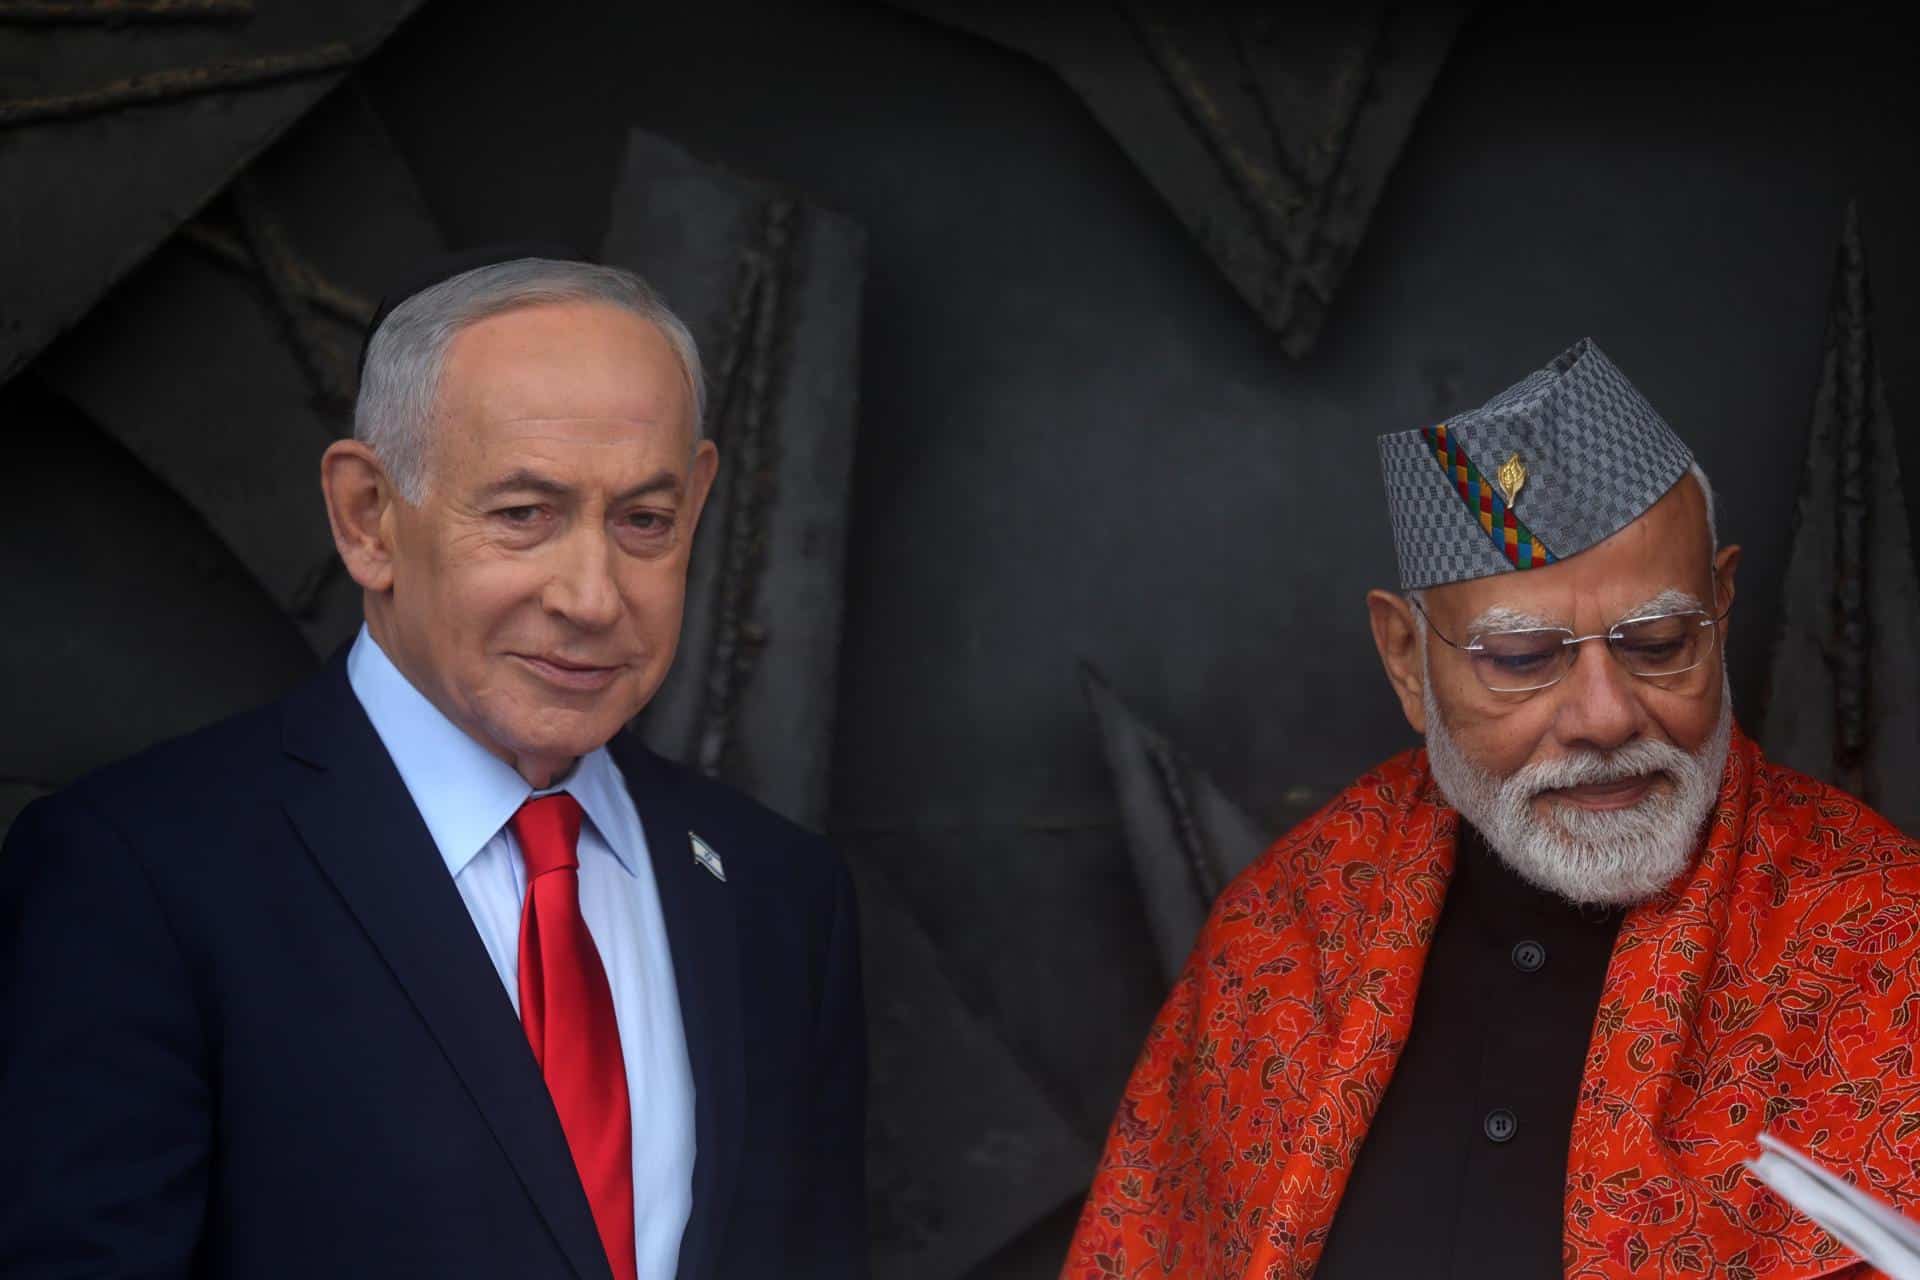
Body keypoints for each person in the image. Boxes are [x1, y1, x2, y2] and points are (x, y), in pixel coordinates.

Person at [0, 251, 867, 1279]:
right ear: (368, 515)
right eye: (523, 514)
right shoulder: (140, 876)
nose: (592, 594)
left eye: (645, 519)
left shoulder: (778, 894)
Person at [1065, 339, 1920, 1279]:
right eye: (1523, 660)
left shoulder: (1881, 938)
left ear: (1722, 603)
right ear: (1405, 658)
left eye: (1659, 642)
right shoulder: (1288, 935)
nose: (1605, 716)